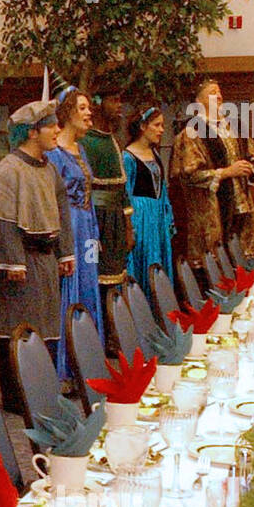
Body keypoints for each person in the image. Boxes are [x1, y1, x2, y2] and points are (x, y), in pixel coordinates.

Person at [0, 100, 75, 410]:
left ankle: (40, 390)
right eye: (52, 126)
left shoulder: (48, 169)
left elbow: (61, 211)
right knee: (16, 329)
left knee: (45, 329)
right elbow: (2, 218)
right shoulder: (9, 169)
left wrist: (65, 253)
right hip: (20, 264)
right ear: (33, 132)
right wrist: (13, 261)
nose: (58, 131)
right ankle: (16, 398)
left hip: (45, 262)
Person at [169, 78, 254, 290]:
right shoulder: (191, 133)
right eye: (213, 93)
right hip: (211, 212)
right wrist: (225, 173)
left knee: (241, 265)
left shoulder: (234, 129)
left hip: (241, 208)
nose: (220, 97)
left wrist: (250, 168)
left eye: (220, 93)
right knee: (214, 272)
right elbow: (186, 174)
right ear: (198, 101)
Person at [49, 89, 103, 379]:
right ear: (67, 111)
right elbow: (53, 203)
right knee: (69, 291)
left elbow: (89, 196)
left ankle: (88, 365)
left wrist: (95, 237)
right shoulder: (54, 153)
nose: (88, 113)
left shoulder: (80, 150)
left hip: (87, 228)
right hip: (68, 228)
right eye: (82, 107)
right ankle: (67, 369)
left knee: (89, 284)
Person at [77, 85, 134, 345]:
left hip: (115, 221)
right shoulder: (85, 141)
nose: (119, 105)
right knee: (96, 278)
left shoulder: (112, 138)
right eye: (114, 99)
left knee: (115, 277)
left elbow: (122, 188)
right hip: (95, 220)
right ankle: (98, 336)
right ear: (99, 104)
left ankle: (114, 331)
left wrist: (128, 224)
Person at [124, 107, 176, 297]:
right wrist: (131, 227)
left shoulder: (155, 153)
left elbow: (162, 189)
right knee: (145, 264)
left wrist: (167, 217)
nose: (161, 130)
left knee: (159, 265)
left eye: (162, 125)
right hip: (141, 220)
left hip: (157, 220)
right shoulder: (128, 157)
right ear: (143, 126)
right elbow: (125, 194)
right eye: (157, 125)